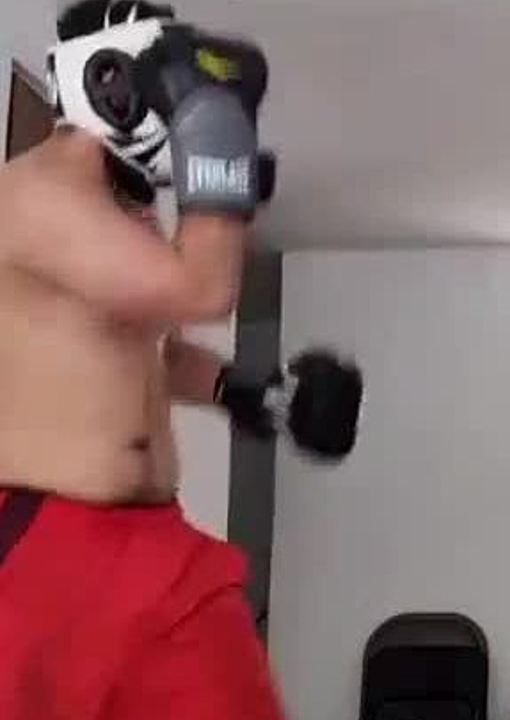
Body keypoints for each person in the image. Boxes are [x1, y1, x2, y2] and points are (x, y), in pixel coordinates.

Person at [0, 1, 358, 717]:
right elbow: (204, 290)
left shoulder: (116, 214)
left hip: (154, 539)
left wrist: (249, 393)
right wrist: (215, 123)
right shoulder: (36, 191)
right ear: (107, 77)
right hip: (47, 543)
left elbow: (150, 351)